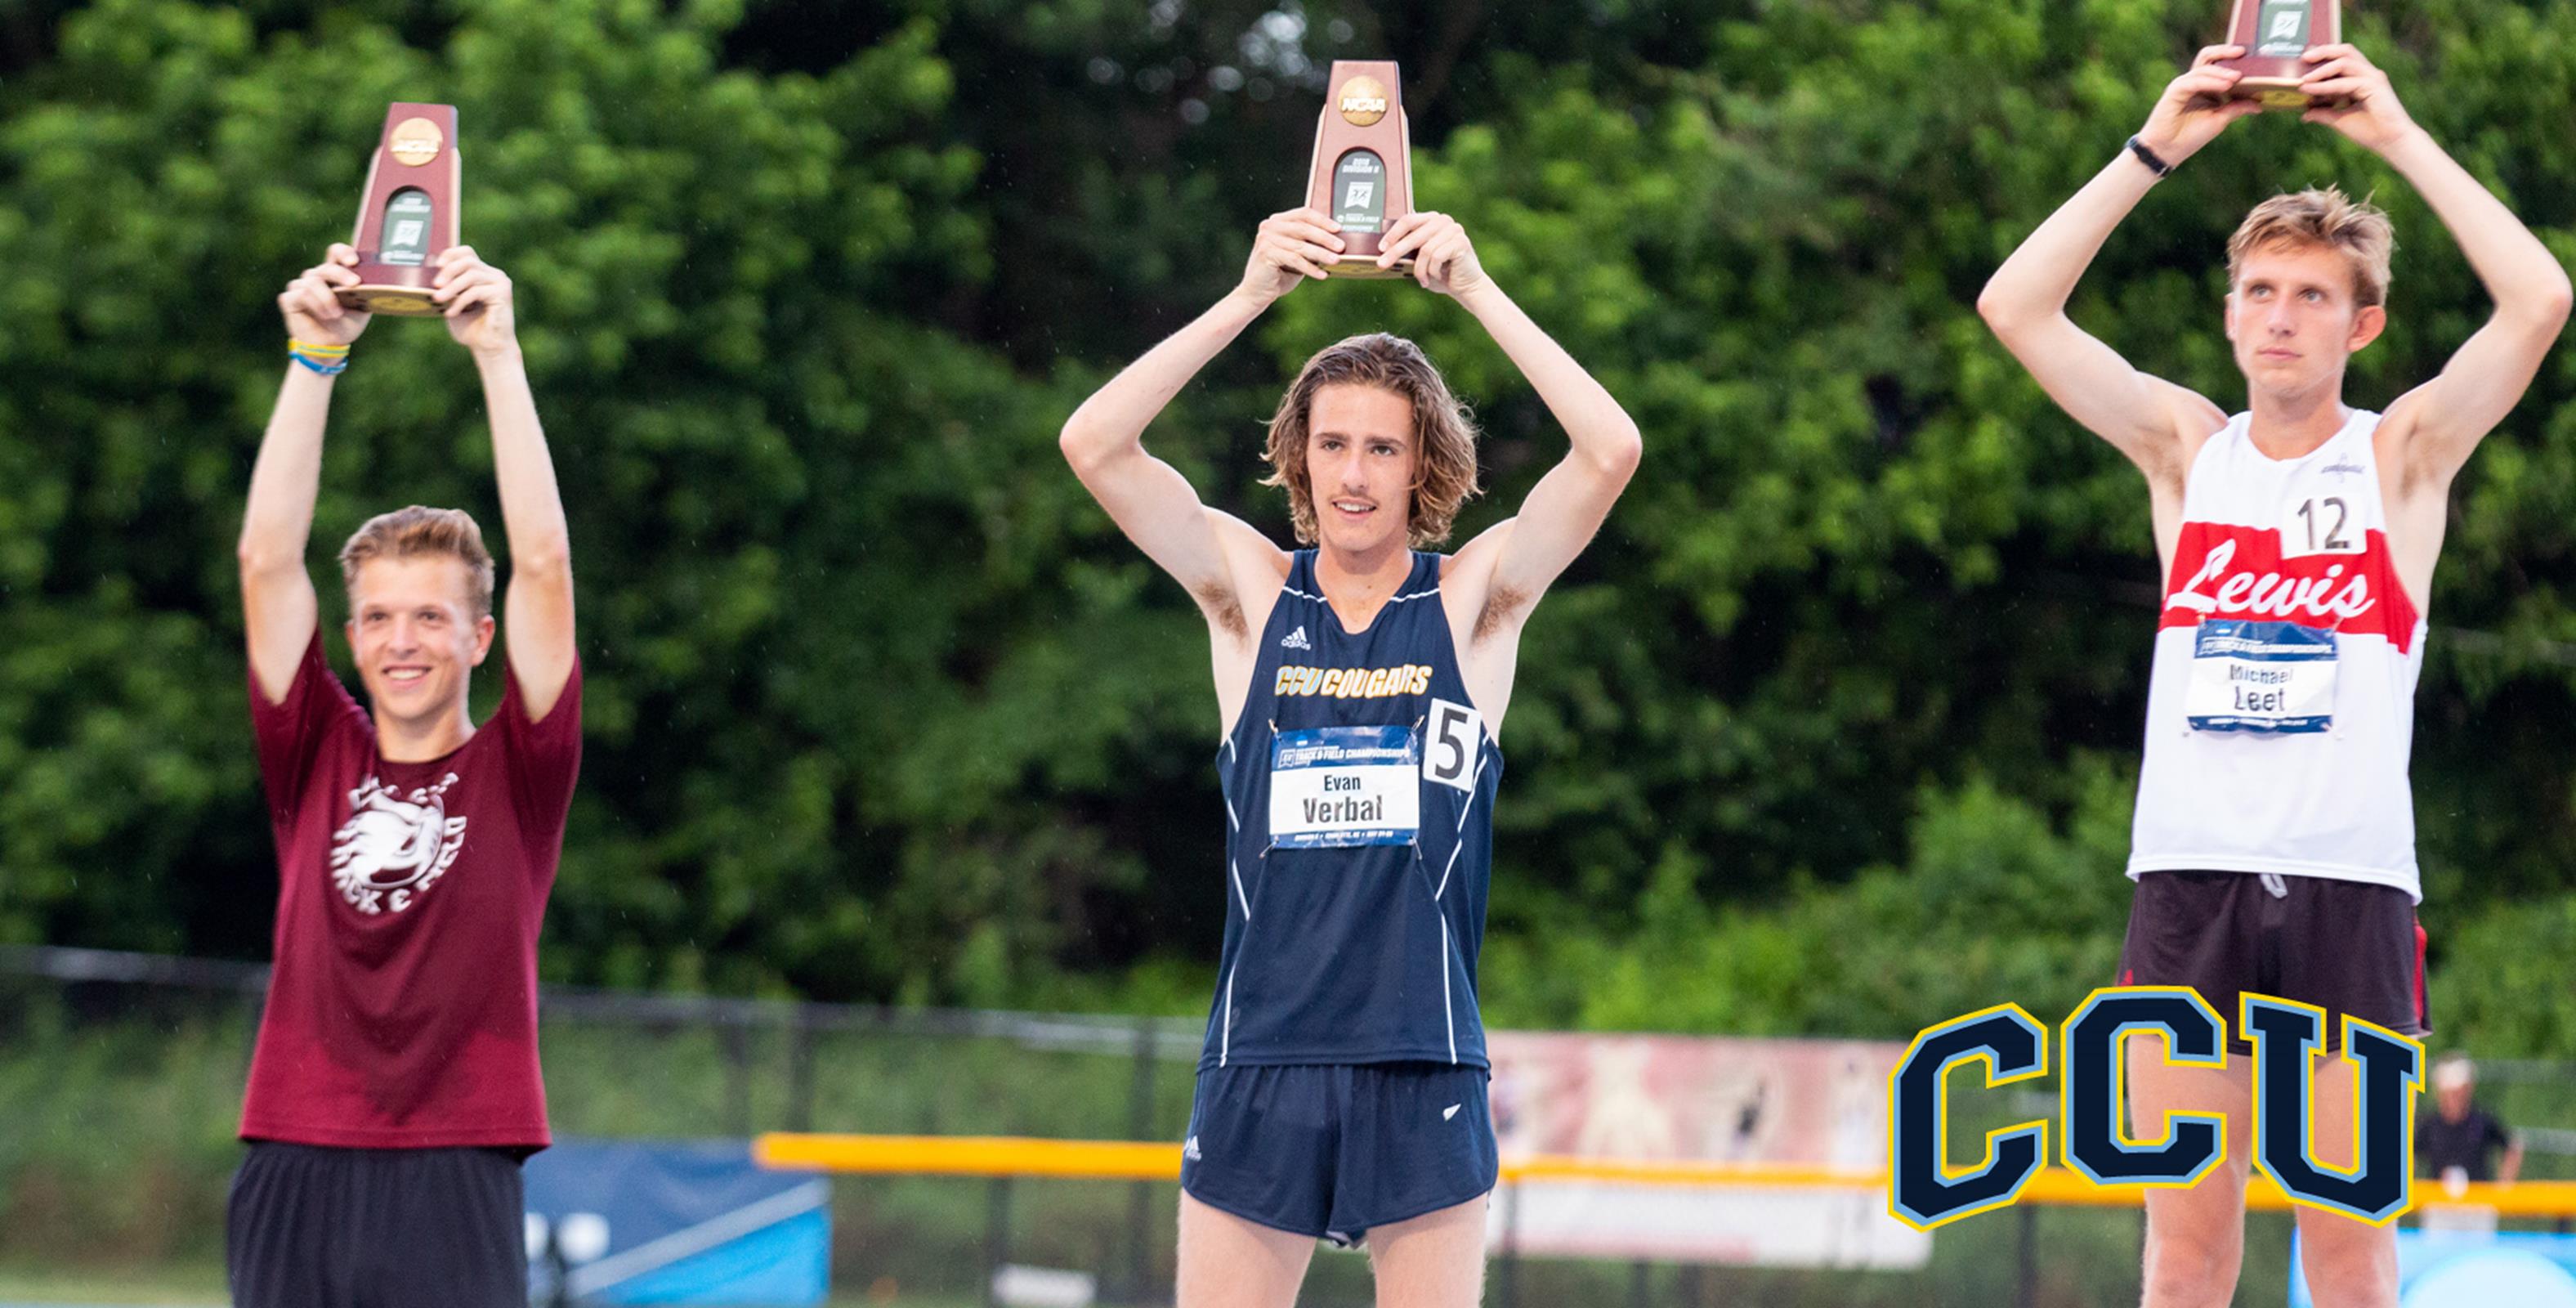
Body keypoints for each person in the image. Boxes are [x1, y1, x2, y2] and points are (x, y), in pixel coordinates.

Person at [1976, 40, 2569, 1308]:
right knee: (2185, 1248)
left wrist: (2397, 135)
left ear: (2362, 323)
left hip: (2351, 883)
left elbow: (2539, 303)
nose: (2282, 314)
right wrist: (2158, 145)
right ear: (2231, 312)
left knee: (2346, 1246)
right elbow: (2014, 309)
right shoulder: (2188, 453)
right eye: (2260, 290)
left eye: (2311, 294)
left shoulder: (2400, 456)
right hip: (2190, 882)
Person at [1060, 207, 1640, 1307]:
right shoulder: (1250, 593)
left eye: (1383, 446)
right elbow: (1093, 445)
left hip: (1423, 1058)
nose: (1356, 473)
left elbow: (1611, 452)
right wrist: (1250, 298)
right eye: (1334, 444)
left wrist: (1474, 289)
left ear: (1423, 461)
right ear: (1298, 454)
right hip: (1261, 1057)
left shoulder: (1473, 601)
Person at [230, 242, 580, 1308]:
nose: (403, 640)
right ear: (352, 635)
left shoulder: (521, 768)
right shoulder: (313, 751)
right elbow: (264, 560)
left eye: (431, 615)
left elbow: (547, 564)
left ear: (479, 637)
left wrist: (498, 355)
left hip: (455, 1160)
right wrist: (316, 355)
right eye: (378, 617)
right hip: (294, 1147)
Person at [2417, 1052, 2523, 1189]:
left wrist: (2504, 1187)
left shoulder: (2482, 1120)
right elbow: (2410, 1155)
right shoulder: (2429, 1124)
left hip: (2477, 1203)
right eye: (2450, 1092)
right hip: (2438, 1204)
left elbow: (2512, 1146)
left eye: (2460, 1091)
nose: (2455, 1097)